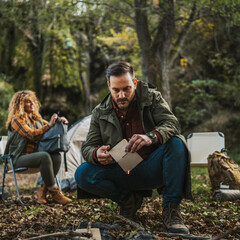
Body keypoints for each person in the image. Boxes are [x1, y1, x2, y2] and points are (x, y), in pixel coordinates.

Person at [75, 62, 192, 234]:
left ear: (135, 83)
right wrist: (96, 153)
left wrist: (151, 137)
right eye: (116, 90)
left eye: (127, 88)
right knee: (82, 173)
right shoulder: (100, 112)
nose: (121, 95)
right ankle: (128, 201)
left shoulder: (152, 97)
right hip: (121, 171)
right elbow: (88, 147)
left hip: (154, 166)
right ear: (109, 86)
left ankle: (171, 210)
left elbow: (172, 124)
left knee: (176, 143)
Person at [5, 90, 72, 205]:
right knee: (44, 156)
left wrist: (60, 122)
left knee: (56, 155)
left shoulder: (37, 120)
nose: (32, 104)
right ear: (20, 105)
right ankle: (55, 192)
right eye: (28, 102)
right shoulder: (16, 120)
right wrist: (49, 125)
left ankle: (43, 191)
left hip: (34, 158)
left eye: (33, 101)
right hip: (16, 159)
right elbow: (32, 134)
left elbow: (50, 126)